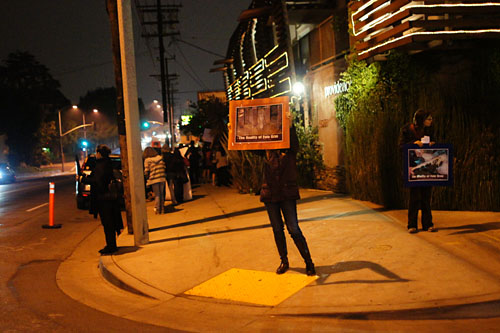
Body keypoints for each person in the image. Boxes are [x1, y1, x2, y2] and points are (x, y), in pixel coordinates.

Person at [260, 126, 316, 276]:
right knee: (277, 229)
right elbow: (246, 146)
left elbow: (294, 142)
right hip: (270, 194)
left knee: (293, 229)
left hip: (286, 193)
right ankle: (284, 261)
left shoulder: (289, 150)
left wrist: (289, 125)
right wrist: (234, 131)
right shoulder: (264, 150)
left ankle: (308, 262)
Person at [399, 109, 437, 234]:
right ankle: (412, 224)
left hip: (427, 168)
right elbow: (401, 146)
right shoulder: (407, 130)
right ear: (421, 120)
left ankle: (428, 224)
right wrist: (414, 143)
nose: (431, 121)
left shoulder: (429, 130)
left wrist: (432, 144)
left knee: (426, 196)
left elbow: (436, 144)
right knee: (415, 197)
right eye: (428, 119)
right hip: (413, 168)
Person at [82, 144, 123, 254]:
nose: (96, 155)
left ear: (100, 153)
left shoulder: (101, 165)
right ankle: (111, 244)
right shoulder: (107, 163)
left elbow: (97, 181)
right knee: (110, 222)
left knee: (108, 223)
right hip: (109, 198)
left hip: (104, 198)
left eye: (97, 153)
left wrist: (84, 179)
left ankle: (111, 246)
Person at [143, 146, 167, 214]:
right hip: (162, 177)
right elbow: (164, 167)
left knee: (157, 195)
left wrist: (147, 178)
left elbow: (146, 171)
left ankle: (157, 209)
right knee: (161, 194)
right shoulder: (160, 158)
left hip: (154, 178)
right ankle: (162, 209)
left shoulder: (147, 160)